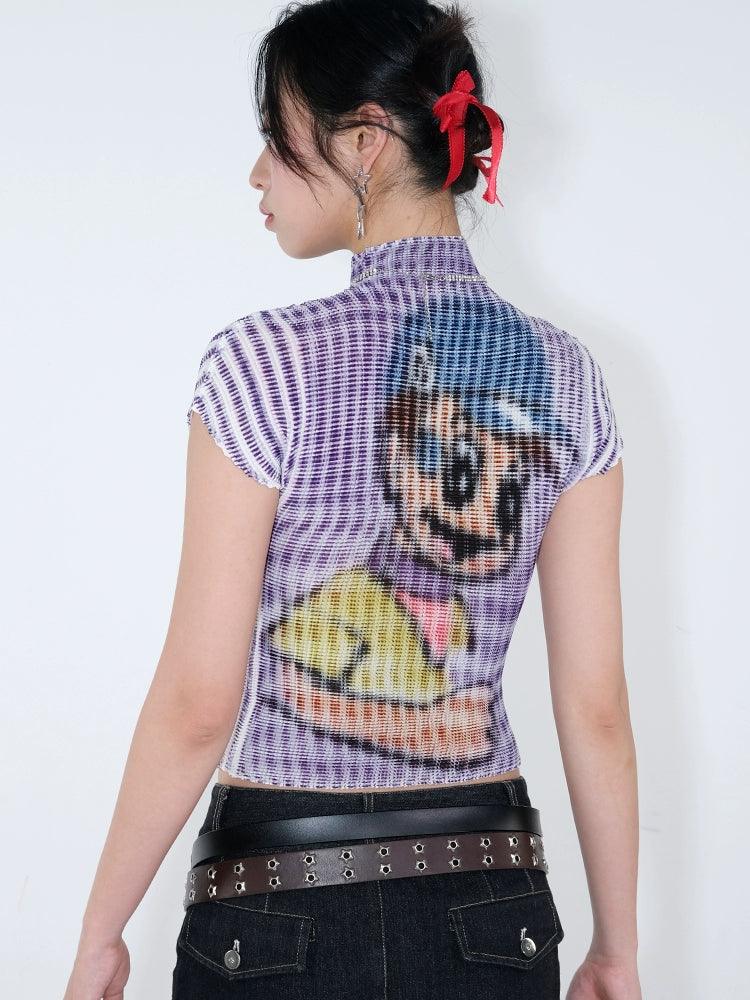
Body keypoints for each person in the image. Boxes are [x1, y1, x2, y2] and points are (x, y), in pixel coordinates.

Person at [63, 2, 641, 999]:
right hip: (491, 910)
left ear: (366, 140)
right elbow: (595, 708)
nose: (257, 174)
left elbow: (199, 704)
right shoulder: (568, 376)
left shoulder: (265, 362)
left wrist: (101, 932)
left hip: (278, 908)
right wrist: (617, 948)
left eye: (274, 138)